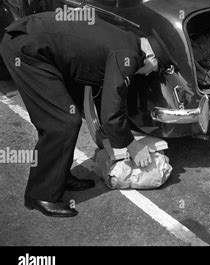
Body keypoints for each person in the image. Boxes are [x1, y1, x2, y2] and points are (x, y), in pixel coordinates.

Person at [1, 12, 160, 217]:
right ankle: (41, 195)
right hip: (27, 49)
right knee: (62, 122)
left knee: (66, 116)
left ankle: (57, 177)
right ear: (149, 56)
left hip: (34, 41)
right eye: (150, 70)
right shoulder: (128, 54)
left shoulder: (126, 40)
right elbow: (111, 113)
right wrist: (133, 146)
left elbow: (108, 97)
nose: (145, 73)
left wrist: (111, 136)